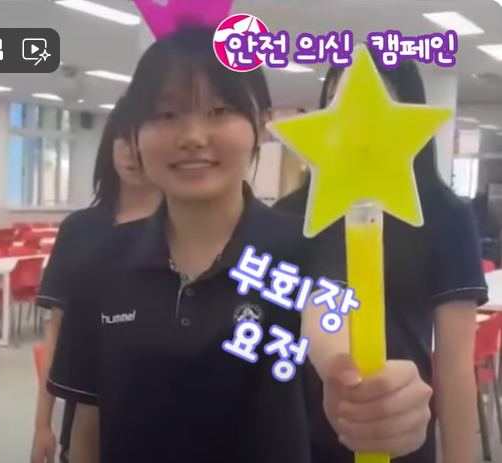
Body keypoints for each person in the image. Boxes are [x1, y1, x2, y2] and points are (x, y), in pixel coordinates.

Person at [47, 27, 435, 463]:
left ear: (261, 124)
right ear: (135, 132)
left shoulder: (306, 251)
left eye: (219, 110)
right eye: (166, 114)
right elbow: (88, 424)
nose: (193, 135)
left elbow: (327, 323)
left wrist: (351, 382)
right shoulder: (100, 263)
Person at [275, 54, 486, 463]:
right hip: (298, 439)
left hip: (402, 434)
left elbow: (456, 365)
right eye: (336, 101)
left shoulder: (444, 216)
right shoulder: (290, 216)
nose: (354, 122)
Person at [30, 99, 161, 463]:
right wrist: (42, 423)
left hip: (161, 418)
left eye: (142, 139)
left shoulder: (182, 229)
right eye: (122, 137)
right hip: (86, 419)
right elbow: (57, 332)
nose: (132, 151)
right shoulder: (79, 231)